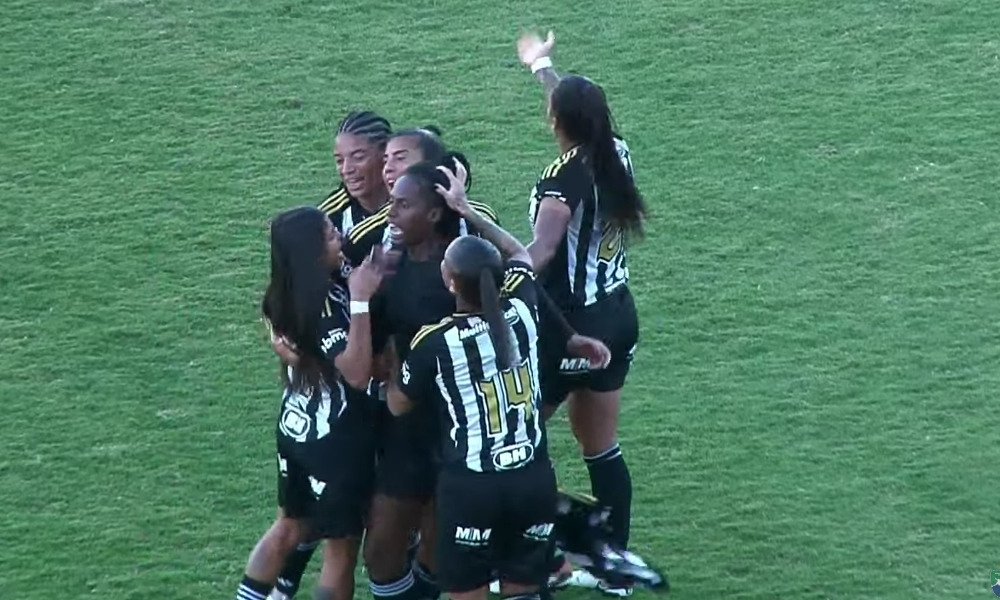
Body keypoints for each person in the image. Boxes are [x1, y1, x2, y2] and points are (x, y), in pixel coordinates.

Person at [386, 160, 557, 600]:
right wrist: (467, 210)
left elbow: (398, 404)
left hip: (471, 487)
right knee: (524, 593)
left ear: (449, 281)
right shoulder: (524, 310)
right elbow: (520, 254)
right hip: (534, 480)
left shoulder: (435, 341)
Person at [517, 30, 647, 598]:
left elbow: (540, 254)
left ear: (558, 122)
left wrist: (475, 248)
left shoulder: (562, 177)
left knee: (514, 443)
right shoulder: (616, 150)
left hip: (568, 328)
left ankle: (541, 562)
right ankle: (615, 567)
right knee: (602, 447)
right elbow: (573, 101)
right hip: (619, 316)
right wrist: (543, 66)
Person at [236, 207, 386, 600]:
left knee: (288, 526)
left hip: (296, 426)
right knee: (340, 550)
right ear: (313, 251)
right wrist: (360, 301)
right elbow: (355, 372)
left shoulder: (285, 290)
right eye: (332, 235)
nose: (341, 238)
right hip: (335, 443)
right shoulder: (324, 304)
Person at [317, 111, 393, 236]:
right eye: (339, 161)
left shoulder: (417, 204)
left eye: (358, 157)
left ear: (385, 155)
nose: (346, 169)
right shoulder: (330, 217)